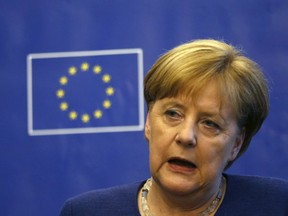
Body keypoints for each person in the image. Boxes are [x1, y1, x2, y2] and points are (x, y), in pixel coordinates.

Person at [59, 39, 288, 216]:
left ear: (236, 144)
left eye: (210, 123)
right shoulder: (85, 212)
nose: (186, 136)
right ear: (149, 122)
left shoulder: (277, 205)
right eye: (173, 114)